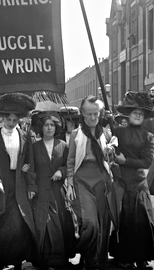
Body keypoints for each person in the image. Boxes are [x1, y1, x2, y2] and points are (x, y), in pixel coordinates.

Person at [0, 93, 37, 270]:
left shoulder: (25, 137)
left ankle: (17, 261)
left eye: (15, 120)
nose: (11, 123)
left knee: (19, 224)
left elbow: (29, 162)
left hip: (19, 184)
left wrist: (30, 180)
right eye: (8, 119)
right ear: (3, 119)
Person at [65, 95, 114, 270]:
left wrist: (110, 151)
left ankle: (94, 261)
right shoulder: (76, 135)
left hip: (102, 180)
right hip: (82, 181)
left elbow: (111, 157)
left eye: (96, 114)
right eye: (89, 114)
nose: (93, 118)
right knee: (90, 222)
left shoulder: (105, 133)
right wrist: (70, 184)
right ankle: (86, 253)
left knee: (102, 223)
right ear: (83, 114)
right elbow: (70, 162)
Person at [109, 91, 154, 269]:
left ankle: (142, 257)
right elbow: (110, 146)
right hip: (121, 182)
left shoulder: (148, 136)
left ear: (144, 117)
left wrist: (125, 161)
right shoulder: (118, 132)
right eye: (134, 112)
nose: (137, 115)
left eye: (141, 113)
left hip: (138, 184)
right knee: (125, 221)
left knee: (142, 221)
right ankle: (124, 257)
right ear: (128, 114)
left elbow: (147, 161)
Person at [30, 111, 76, 269]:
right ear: (41, 128)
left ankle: (60, 260)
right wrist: (32, 187)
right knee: (43, 223)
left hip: (57, 191)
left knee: (60, 223)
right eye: (46, 125)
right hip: (41, 191)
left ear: (56, 128)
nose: (49, 128)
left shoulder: (63, 146)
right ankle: (43, 260)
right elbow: (30, 169)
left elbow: (69, 165)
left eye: (52, 125)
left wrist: (61, 172)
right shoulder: (34, 147)